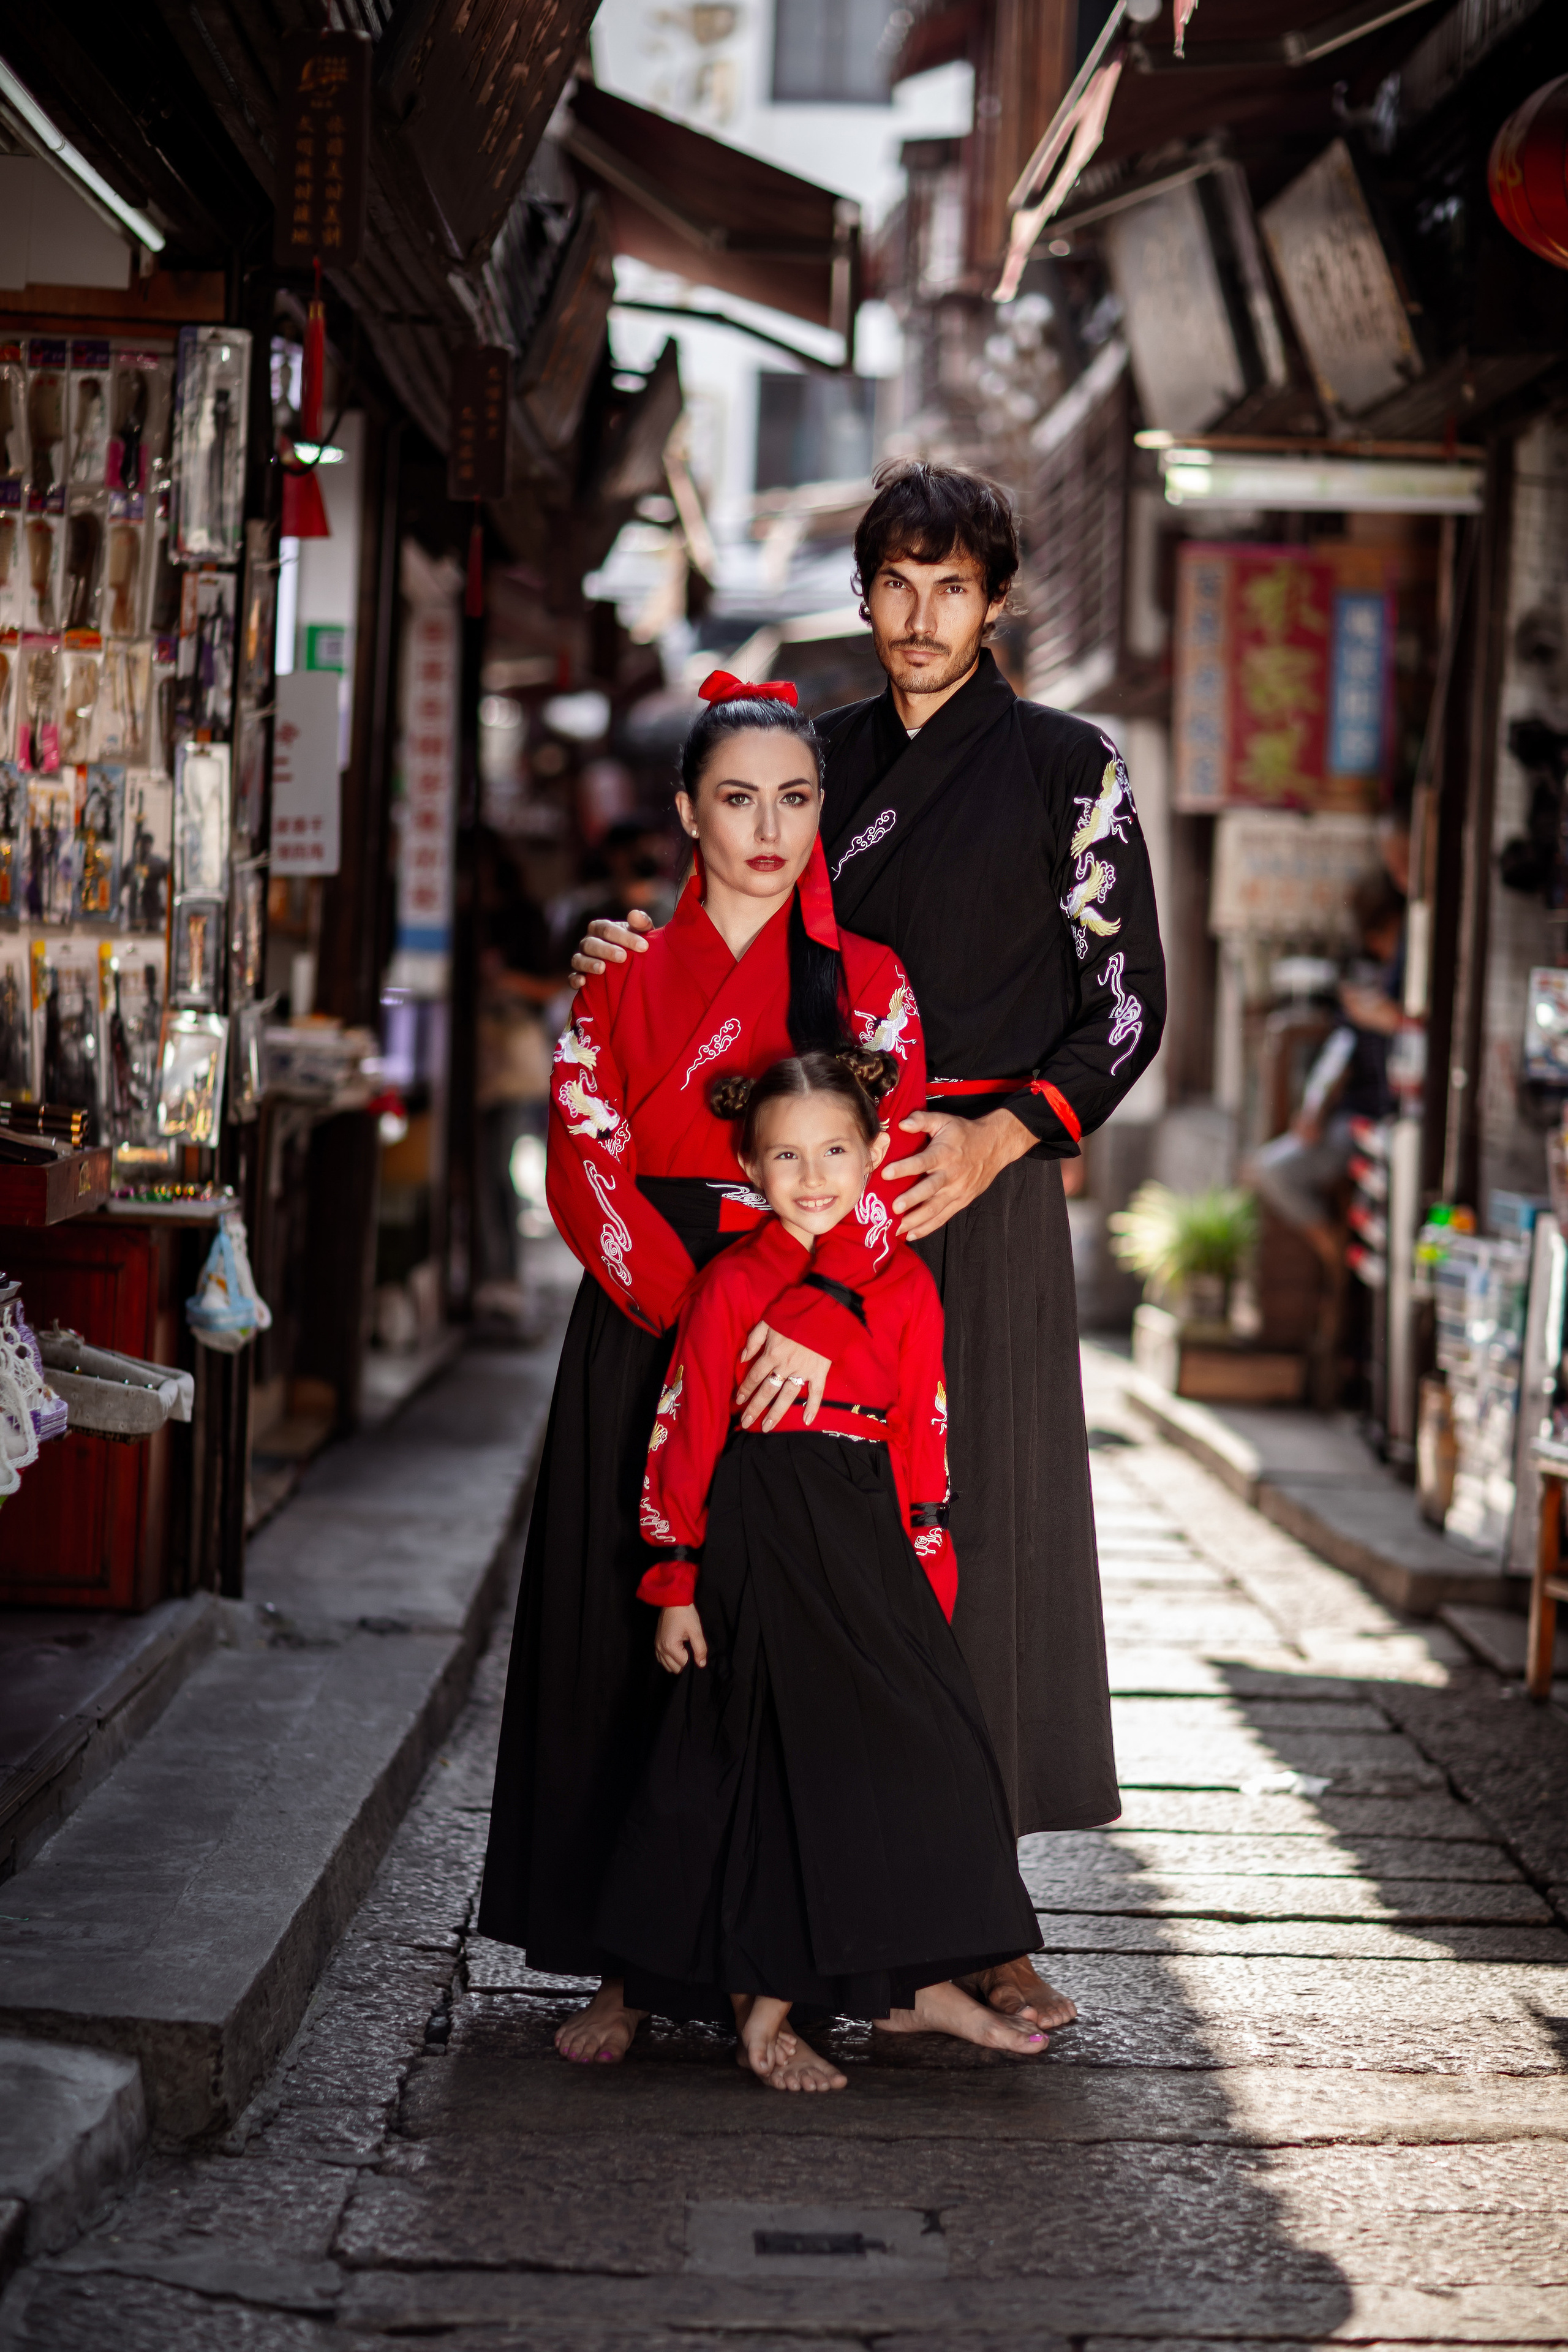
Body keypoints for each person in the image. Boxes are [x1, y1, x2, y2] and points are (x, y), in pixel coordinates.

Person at [574, 461, 1167, 2029]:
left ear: (995, 600)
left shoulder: (1067, 766)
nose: (919, 616)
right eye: (895, 584)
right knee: (792, 1547)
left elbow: (1125, 1005)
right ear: (862, 593)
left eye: (950, 587)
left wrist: (999, 1135)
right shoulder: (810, 764)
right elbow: (730, 926)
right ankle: (790, 1899)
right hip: (809, 1199)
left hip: (980, 1190)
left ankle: (978, 1918)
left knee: (978, 1543)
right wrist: (631, 949)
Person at [478, 674, 941, 2065]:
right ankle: (621, 1967)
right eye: (737, 798)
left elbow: (886, 1168)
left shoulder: (869, 984)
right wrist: (699, 1315)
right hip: (653, 1320)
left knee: (781, 1653)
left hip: (803, 1341)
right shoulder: (622, 970)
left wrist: (797, 1307)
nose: (768, 828)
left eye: (795, 799)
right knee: (626, 1635)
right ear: (686, 810)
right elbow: (582, 1148)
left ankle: (777, 1960)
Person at [596, 1050, 1047, 2090]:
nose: (812, 1177)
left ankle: (909, 1983)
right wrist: (676, 1578)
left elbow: (924, 1425)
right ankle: (766, 2014)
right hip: (760, 1524)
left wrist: (929, 1559)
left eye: (835, 1151)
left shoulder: (906, 1283)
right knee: (769, 1762)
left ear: (877, 1153)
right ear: (748, 1168)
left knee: (923, 1752)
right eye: (786, 1157)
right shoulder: (731, 1282)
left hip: (869, 1528)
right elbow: (686, 1428)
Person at [1249, 873, 1408, 1267]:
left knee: (1270, 1170)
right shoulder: (1367, 986)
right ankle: (1332, 1246)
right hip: (1359, 1120)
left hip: (1382, 1120)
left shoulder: (1396, 986)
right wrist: (1314, 1108)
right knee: (1265, 1170)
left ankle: (1335, 1251)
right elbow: (1338, 1057)